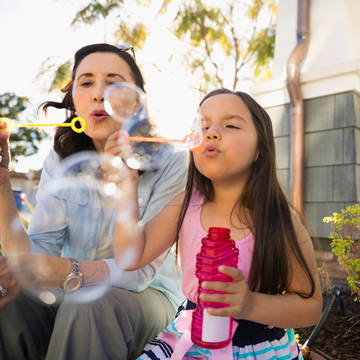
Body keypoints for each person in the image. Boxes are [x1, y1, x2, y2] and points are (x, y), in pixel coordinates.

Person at [0, 43, 187, 360]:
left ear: (137, 98)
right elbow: (37, 252)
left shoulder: (173, 162)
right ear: (74, 98)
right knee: (10, 303)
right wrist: (2, 182)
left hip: (150, 296)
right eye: (86, 83)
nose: (99, 94)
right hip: (72, 290)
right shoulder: (59, 160)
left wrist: (64, 273)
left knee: (88, 307)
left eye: (114, 82)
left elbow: (138, 273)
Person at [113, 89, 323, 359]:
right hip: (189, 340)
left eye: (231, 125)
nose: (211, 133)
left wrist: (248, 304)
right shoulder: (184, 205)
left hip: (258, 348)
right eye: (203, 126)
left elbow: (311, 306)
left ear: (260, 148)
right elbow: (132, 256)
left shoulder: (278, 219)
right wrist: (126, 186)